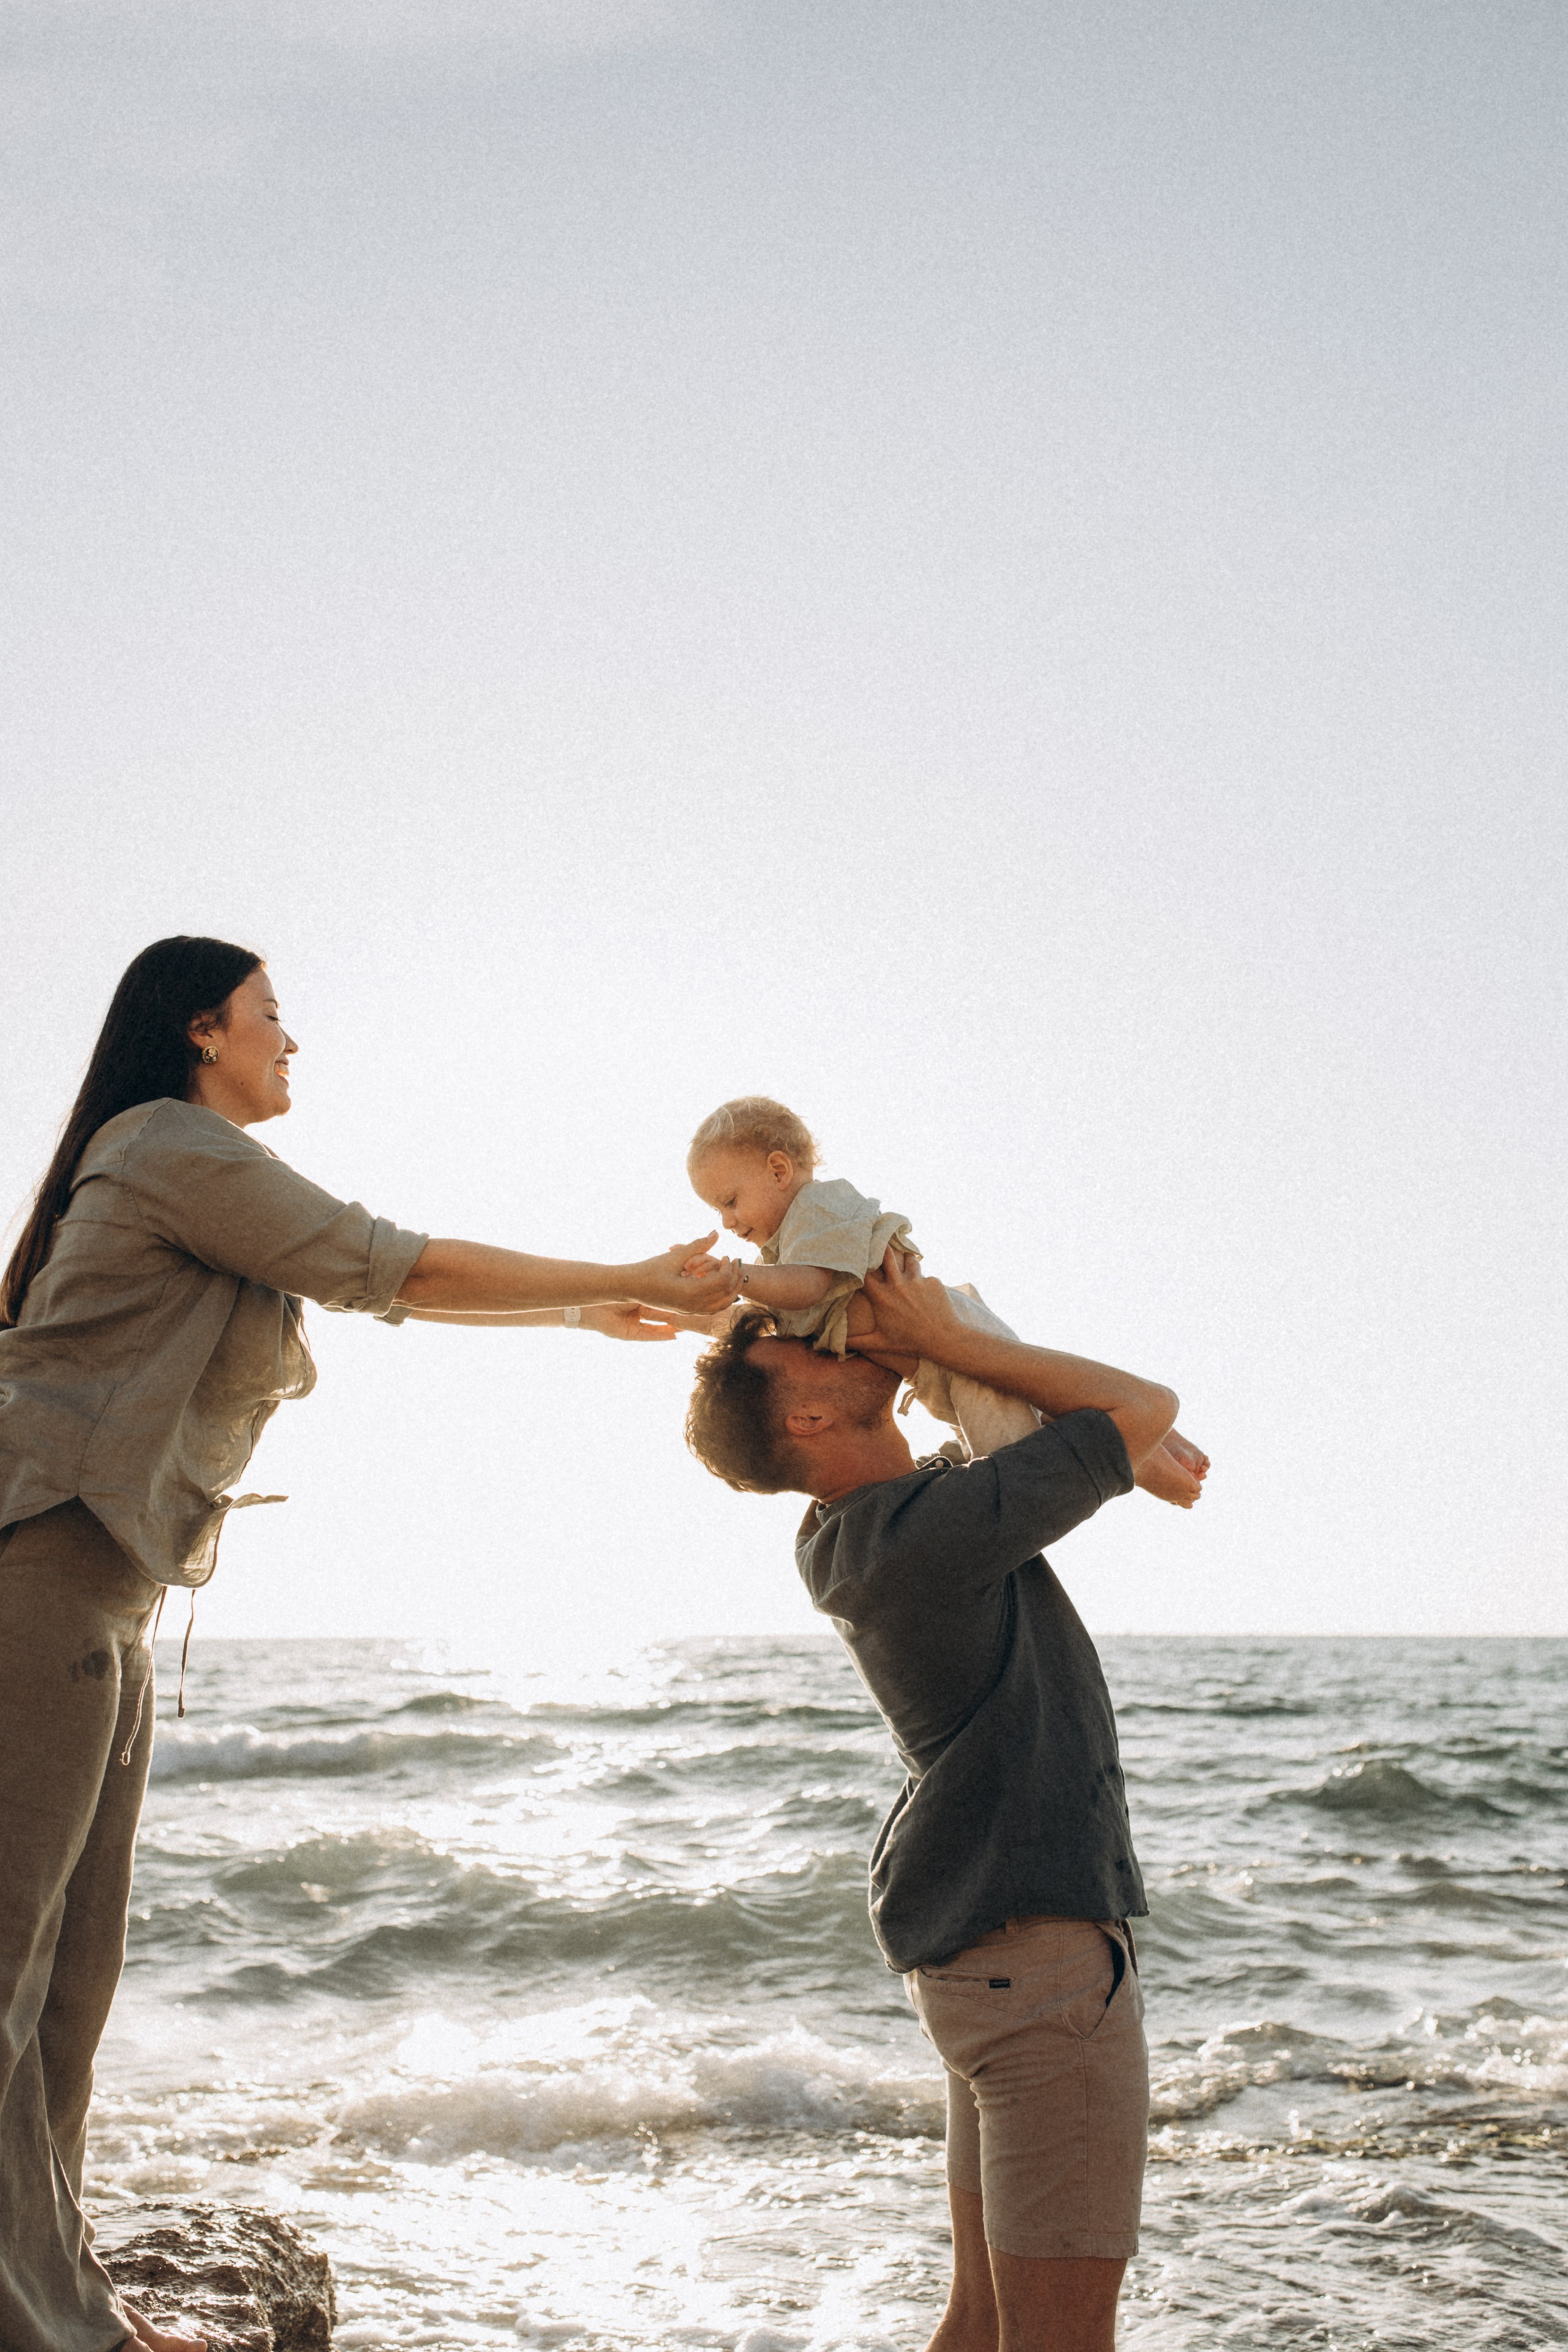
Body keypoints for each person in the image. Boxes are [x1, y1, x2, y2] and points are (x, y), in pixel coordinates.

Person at [0, 935, 737, 2352]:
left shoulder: (167, 1160)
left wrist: (588, 1309)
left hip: (106, 1587)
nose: (294, 1041)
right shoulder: (167, 1141)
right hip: (41, 1565)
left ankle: (60, 2299)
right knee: (10, 1972)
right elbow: (381, 1262)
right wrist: (617, 1273)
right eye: (275, 1016)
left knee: (68, 1990)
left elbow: (374, 1279)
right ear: (205, 1027)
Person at [684, 1250, 1185, 2352]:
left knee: (980, 2323)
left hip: (985, 1957)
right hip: (1037, 1958)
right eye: (806, 1349)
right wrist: (948, 1343)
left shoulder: (875, 1527)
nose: (832, 1336)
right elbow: (1145, 1409)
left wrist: (930, 1351)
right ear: (809, 1417)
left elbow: (1054, 1425)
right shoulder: (924, 1535)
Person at [684, 1094, 1207, 1502]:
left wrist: (736, 1277)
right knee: (1043, 1410)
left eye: (730, 1201)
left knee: (1027, 1457)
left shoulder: (816, 1212)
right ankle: (1153, 1446)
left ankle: (1143, 1455)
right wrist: (672, 1308)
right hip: (936, 1355)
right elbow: (762, 1320)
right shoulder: (789, 1245)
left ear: (779, 1170)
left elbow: (810, 1288)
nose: (727, 1222)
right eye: (717, 1211)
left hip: (948, 1346)